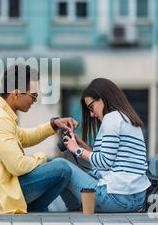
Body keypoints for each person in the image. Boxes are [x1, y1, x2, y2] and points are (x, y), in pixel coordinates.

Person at [0, 63, 78, 214]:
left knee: (58, 167)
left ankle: (33, 210)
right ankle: (34, 210)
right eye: (33, 95)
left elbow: (22, 137)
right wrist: (44, 157)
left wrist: (53, 124)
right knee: (62, 168)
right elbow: (17, 166)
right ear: (16, 93)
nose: (35, 100)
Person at [59, 78, 150, 213]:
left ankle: (77, 208)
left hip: (114, 198)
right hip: (138, 200)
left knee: (62, 167)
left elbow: (104, 162)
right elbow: (109, 160)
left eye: (91, 107)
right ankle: (81, 206)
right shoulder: (130, 119)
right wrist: (82, 145)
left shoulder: (111, 118)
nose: (91, 114)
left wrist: (76, 150)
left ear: (103, 98)